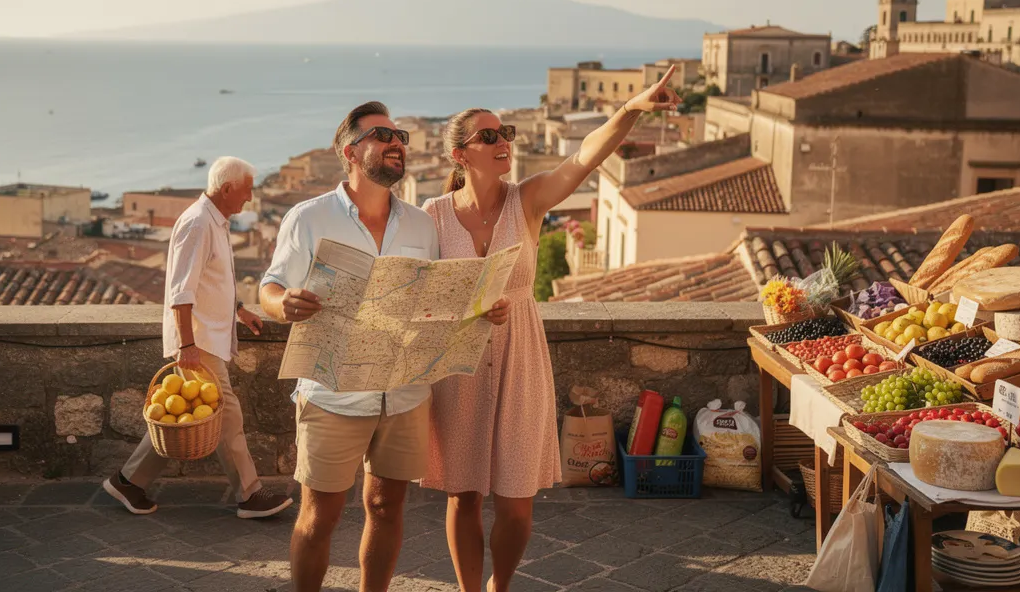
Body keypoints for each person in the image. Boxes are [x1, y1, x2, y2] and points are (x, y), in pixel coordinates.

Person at [421, 68, 681, 592]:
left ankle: (500, 584)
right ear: (460, 155)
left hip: (520, 355)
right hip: (459, 362)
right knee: (463, 494)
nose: (503, 143)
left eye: (506, 134)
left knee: (516, 505)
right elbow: (420, 296)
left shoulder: (528, 200)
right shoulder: (432, 216)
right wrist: (464, 313)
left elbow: (585, 155)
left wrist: (631, 109)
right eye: (489, 136)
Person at [260, 101, 509, 592]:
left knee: (385, 506)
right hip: (333, 393)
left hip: (405, 394)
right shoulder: (308, 217)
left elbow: (438, 302)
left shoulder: (421, 224)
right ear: (351, 151)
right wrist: (282, 303)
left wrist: (482, 310)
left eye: (401, 136)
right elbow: (268, 286)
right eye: (383, 135)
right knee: (320, 516)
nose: (397, 142)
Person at [103, 156, 293, 520]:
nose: (250, 199)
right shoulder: (196, 223)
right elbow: (181, 291)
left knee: (188, 420)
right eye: (247, 190)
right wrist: (187, 346)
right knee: (227, 414)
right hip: (199, 341)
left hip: (207, 336)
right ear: (226, 189)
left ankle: (128, 480)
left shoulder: (214, 221)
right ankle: (250, 495)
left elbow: (212, 280)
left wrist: (239, 309)